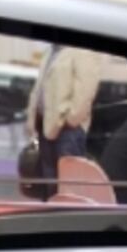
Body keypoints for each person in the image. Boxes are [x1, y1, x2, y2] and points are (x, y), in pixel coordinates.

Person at [26, 46, 103, 186]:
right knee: (50, 182)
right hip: (45, 125)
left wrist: (71, 120)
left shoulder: (83, 51)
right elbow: (40, 87)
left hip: (68, 130)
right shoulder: (50, 51)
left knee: (68, 185)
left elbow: (85, 92)